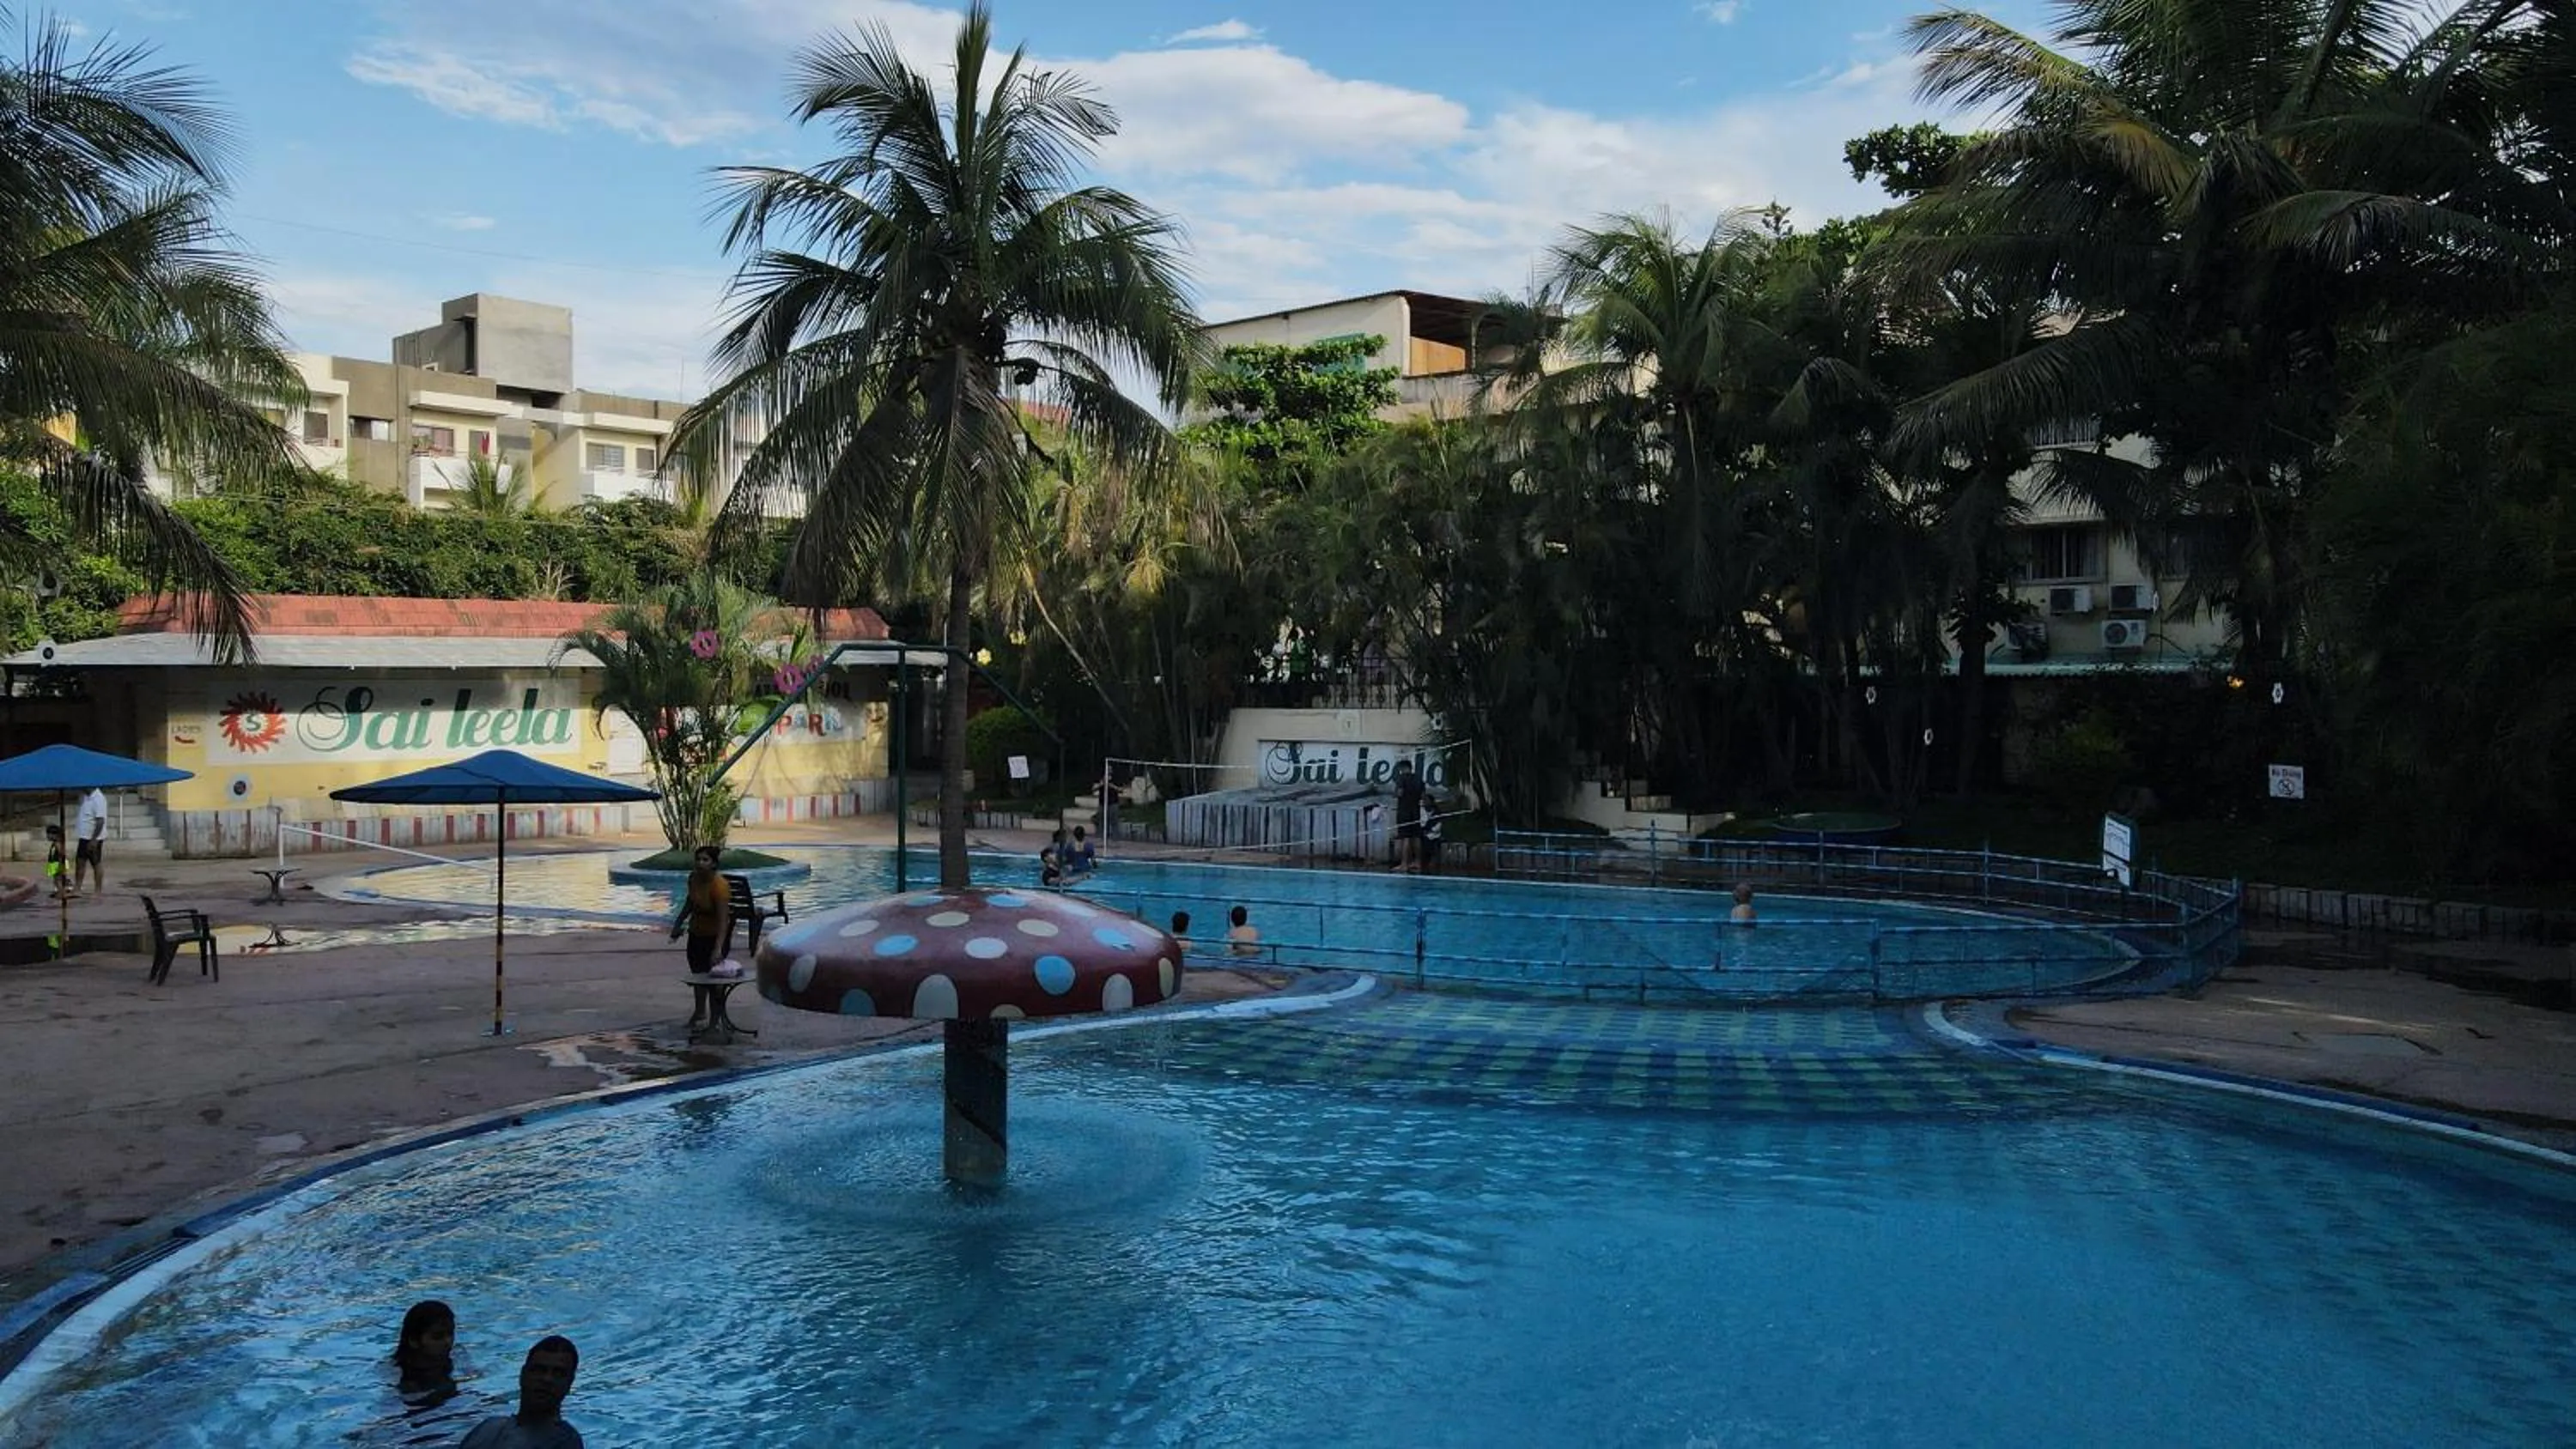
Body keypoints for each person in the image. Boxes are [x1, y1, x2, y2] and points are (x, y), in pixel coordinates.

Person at [460, 1336, 582, 1448]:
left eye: (558, 1374)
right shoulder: (489, 1429)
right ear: (523, 1375)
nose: (547, 1379)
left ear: (569, 1382)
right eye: (539, 1370)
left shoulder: (566, 1441)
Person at [671, 846, 732, 1028]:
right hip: (696, 934)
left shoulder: (719, 886)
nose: (700, 863)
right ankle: (699, 1012)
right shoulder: (694, 879)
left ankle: (715, 1020)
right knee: (698, 976)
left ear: (714, 864)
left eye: (705, 860)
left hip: (715, 937)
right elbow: (689, 903)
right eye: (698, 859)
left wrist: (718, 949)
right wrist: (678, 923)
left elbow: (723, 921)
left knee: (714, 981)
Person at [391, 1300, 459, 1406]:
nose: (447, 1341)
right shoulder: (397, 1373)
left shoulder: (456, 1355)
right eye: (437, 1337)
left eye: (450, 1333)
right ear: (414, 1341)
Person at [1391, 760, 1425, 874]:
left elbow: (1400, 793)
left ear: (1403, 768)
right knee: (1416, 836)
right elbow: (1423, 796)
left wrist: (1394, 793)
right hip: (1415, 811)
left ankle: (1404, 864)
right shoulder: (1419, 779)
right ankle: (1418, 862)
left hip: (1404, 811)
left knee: (1405, 837)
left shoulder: (1402, 778)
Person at [72, 786, 106, 894]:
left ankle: (98, 890)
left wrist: (94, 839)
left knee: (96, 863)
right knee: (80, 861)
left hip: (93, 837)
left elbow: (100, 821)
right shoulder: (85, 797)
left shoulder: (98, 799)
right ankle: (77, 888)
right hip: (84, 836)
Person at [42, 824, 67, 900]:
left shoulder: (57, 844)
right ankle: (60, 892)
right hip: (54, 863)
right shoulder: (55, 843)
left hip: (57, 863)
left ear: (55, 835)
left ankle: (62, 893)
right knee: (56, 880)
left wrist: (60, 863)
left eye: (49, 835)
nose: (47, 837)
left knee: (58, 880)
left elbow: (61, 853)